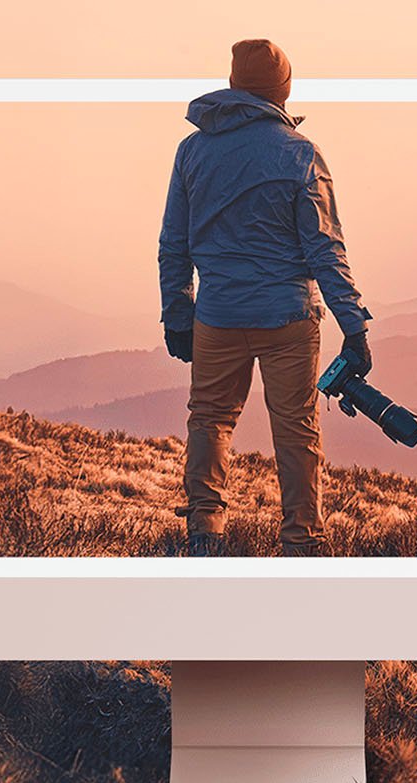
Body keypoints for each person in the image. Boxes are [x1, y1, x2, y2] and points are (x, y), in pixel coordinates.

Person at [158, 38, 372, 557]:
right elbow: (326, 250)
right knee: (296, 429)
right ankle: (302, 542)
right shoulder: (300, 155)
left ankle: (205, 529)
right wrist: (355, 326)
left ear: (234, 85)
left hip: (218, 315)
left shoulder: (192, 152)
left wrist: (177, 315)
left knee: (209, 417)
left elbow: (174, 244)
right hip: (288, 318)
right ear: (283, 89)